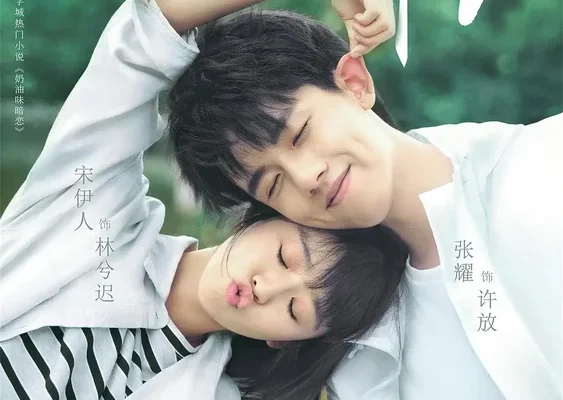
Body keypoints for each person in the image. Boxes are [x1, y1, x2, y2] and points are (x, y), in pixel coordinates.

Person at [0, 1, 410, 400]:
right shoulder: (91, 213)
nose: (265, 288)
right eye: (284, 257)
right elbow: (141, 42)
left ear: (283, 340)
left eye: (294, 311)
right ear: (270, 215)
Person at [166, 2, 563, 400]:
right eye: (273, 184)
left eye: (301, 134)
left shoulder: (543, 162)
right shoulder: (349, 345)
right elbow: (139, 45)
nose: (306, 177)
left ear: (354, 82)